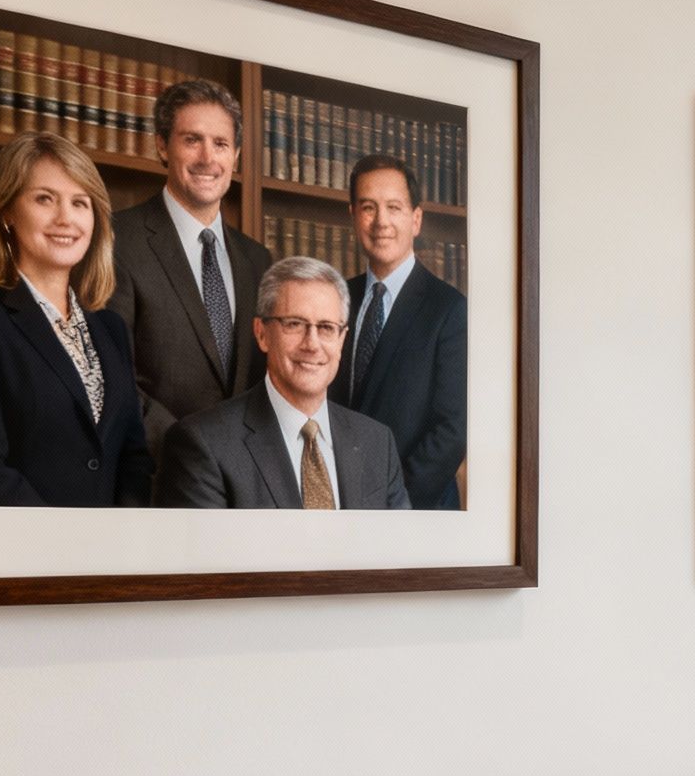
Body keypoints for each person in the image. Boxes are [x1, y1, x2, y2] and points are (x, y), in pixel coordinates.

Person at [0, 131, 151, 506]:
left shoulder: (110, 328)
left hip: (107, 557)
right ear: (7, 212)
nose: (65, 218)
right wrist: (63, 547)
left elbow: (133, 459)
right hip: (13, 555)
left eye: (80, 203)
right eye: (44, 199)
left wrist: (115, 543)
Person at [105, 79, 274, 463]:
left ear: (236, 156)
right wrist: (189, 452)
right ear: (163, 146)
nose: (207, 158)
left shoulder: (258, 261)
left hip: (240, 488)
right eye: (191, 140)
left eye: (220, 144)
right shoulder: (118, 240)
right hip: (154, 479)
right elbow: (110, 374)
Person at [157, 257, 409, 509]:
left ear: (342, 339)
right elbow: (206, 549)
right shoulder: (204, 445)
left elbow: (400, 547)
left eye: (326, 328)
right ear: (261, 333)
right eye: (295, 324)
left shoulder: (378, 444)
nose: (312, 344)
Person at [331, 153, 466, 509]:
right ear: (353, 217)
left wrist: (392, 503)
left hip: (414, 509)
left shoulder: (449, 309)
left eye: (394, 207)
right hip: (339, 503)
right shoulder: (337, 299)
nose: (381, 222)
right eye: (368, 208)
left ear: (416, 220)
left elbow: (453, 430)